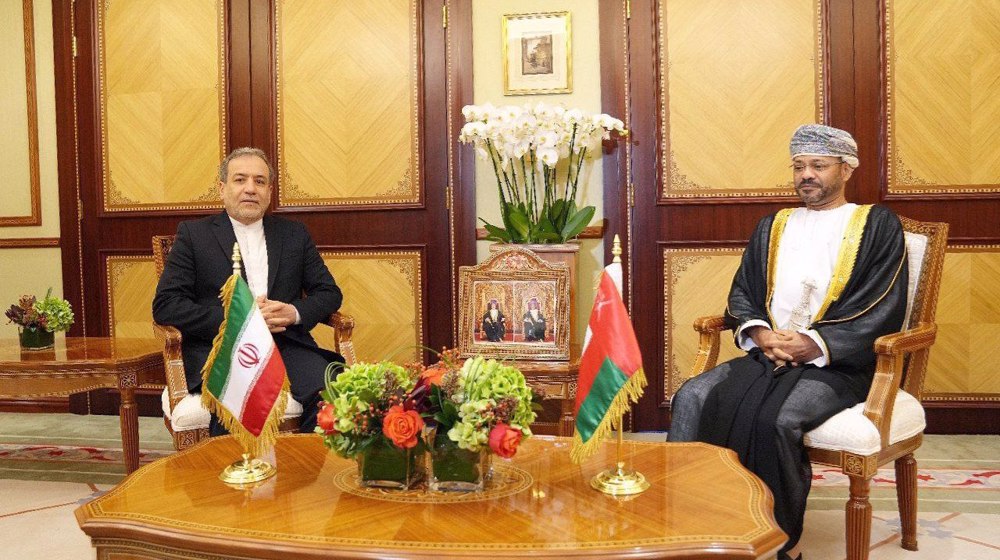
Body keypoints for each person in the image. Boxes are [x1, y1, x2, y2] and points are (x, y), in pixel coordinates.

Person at [668, 125, 908, 560]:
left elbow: (882, 304)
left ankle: (770, 539)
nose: (806, 175)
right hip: (768, 354)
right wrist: (759, 332)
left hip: (838, 363)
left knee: (778, 420)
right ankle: (689, 524)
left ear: (847, 168)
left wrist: (814, 343)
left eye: (818, 165)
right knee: (691, 397)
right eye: (799, 167)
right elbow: (744, 291)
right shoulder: (773, 225)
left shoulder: (876, 224)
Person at [153, 147, 344, 435]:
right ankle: (237, 479)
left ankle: (302, 474)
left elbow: (329, 293)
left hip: (287, 344)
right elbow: (166, 305)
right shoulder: (194, 235)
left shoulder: (294, 234)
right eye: (240, 180)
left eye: (260, 181)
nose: (250, 189)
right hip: (223, 349)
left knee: (331, 392)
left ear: (269, 191)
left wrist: (293, 312)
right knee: (236, 399)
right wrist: (239, 320)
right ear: (222, 188)